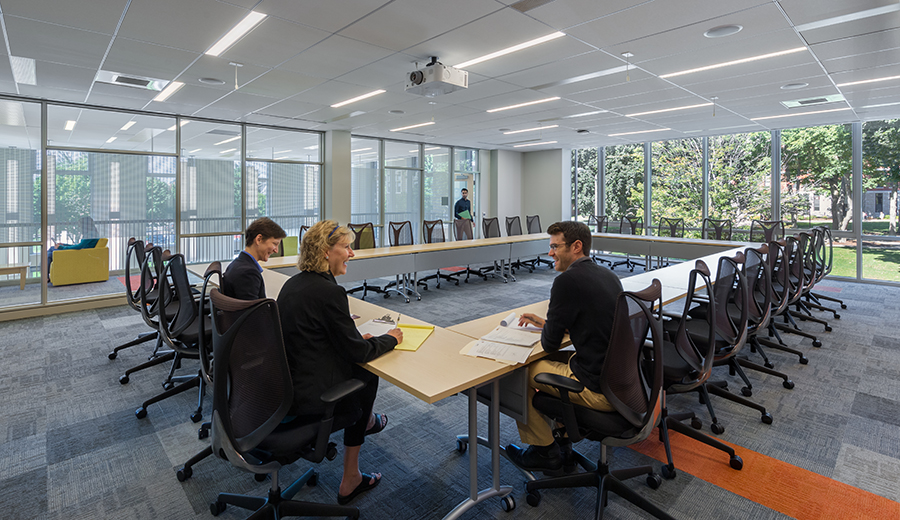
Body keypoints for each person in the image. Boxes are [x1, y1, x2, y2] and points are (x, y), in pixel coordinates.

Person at [277, 220, 403, 505]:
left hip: (283, 390)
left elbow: (314, 335)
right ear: (325, 251)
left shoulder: (293, 284)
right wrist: (391, 338)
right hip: (310, 399)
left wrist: (355, 337)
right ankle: (351, 476)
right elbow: (358, 353)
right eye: (346, 247)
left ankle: (368, 421)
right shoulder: (330, 292)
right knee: (367, 373)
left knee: (361, 361)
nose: (352, 254)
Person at [505, 221, 623, 473]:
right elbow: (594, 321)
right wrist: (549, 322)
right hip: (621, 383)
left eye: (555, 247)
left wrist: (550, 327)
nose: (550, 253)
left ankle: (544, 450)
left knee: (521, 371)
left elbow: (548, 344)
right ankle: (562, 439)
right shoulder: (609, 276)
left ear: (576, 247)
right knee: (559, 358)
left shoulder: (566, 281)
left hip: (599, 391)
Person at [223, 217, 285, 300]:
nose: (276, 250)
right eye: (275, 244)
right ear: (259, 239)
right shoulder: (248, 273)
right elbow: (253, 311)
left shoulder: (236, 264)